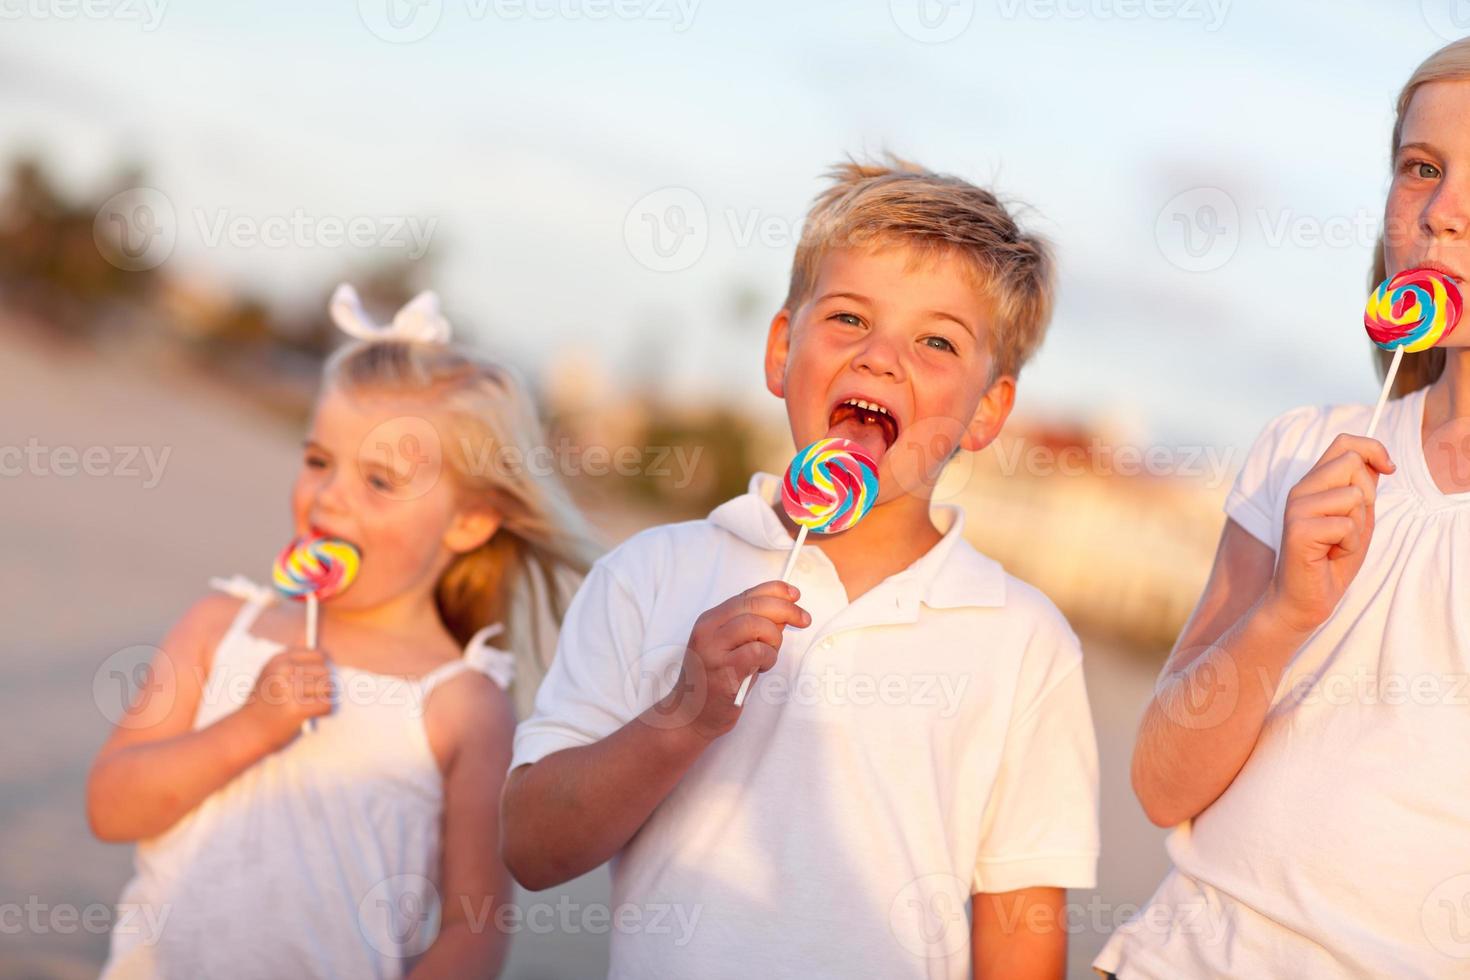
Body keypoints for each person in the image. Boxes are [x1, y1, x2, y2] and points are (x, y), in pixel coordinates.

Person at [502, 158, 1100, 979]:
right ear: (783, 350)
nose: (882, 358)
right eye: (850, 319)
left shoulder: (1024, 641)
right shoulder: (652, 572)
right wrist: (684, 714)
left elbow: (1022, 923)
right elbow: (533, 846)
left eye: (936, 341)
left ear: (987, 412)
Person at [87, 285, 599, 979]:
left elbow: (473, 931)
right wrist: (248, 730)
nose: (327, 497)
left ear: (469, 522)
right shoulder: (220, 629)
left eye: (380, 482)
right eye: (319, 460)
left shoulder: (462, 704)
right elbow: (111, 807)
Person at [1096, 37, 1470, 979]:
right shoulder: (1306, 449)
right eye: (1421, 168)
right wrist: (1281, 617)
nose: (1443, 213)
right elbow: (1159, 783)